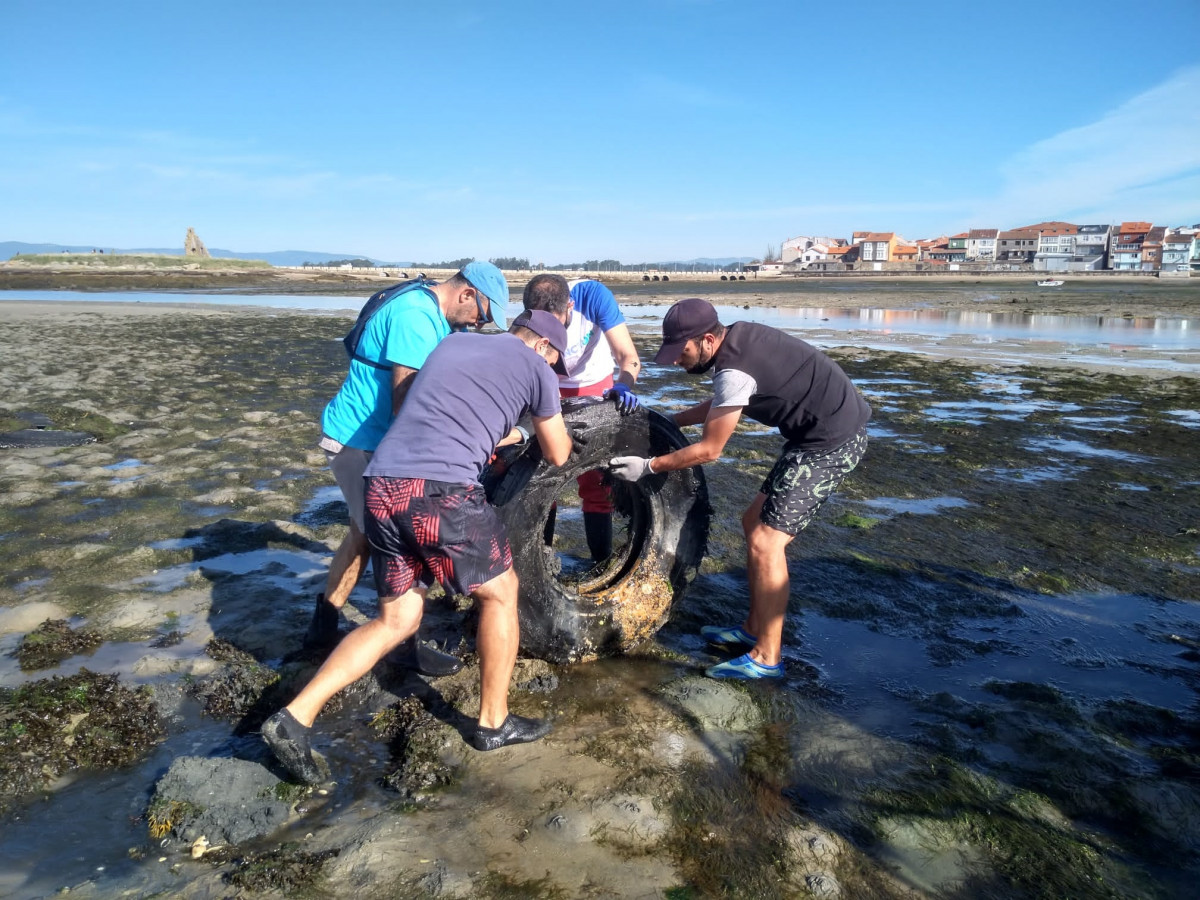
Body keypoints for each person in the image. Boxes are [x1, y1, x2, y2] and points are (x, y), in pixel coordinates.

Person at [263, 310, 574, 782]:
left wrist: (510, 431)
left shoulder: (451, 345)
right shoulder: (536, 370)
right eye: (555, 362)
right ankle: (493, 722)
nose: (553, 370)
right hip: (440, 491)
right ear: (544, 349)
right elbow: (559, 453)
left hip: (383, 485)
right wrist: (542, 421)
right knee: (501, 591)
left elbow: (445, 412)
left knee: (398, 619)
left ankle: (294, 717)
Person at [609, 298, 870, 680]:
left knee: (767, 541)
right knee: (753, 523)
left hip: (832, 441)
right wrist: (672, 420)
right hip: (811, 436)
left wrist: (648, 466)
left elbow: (711, 451)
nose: (677, 362)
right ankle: (752, 628)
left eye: (681, 352)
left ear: (708, 340)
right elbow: (724, 403)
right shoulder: (737, 341)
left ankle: (767, 657)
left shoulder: (733, 369)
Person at [305, 261, 510, 678]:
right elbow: (406, 402)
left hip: (370, 440)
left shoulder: (431, 314)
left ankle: (322, 630)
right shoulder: (415, 318)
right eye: (483, 316)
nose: (480, 325)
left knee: (362, 533)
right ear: (466, 294)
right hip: (359, 441)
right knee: (390, 537)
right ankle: (399, 643)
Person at [521, 274, 642, 561]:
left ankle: (600, 561)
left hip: (593, 384)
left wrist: (624, 383)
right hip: (550, 385)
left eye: (556, 323)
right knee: (541, 476)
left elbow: (628, 355)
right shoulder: (530, 313)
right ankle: (541, 560)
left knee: (597, 482)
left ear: (570, 307)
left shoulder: (593, 297)